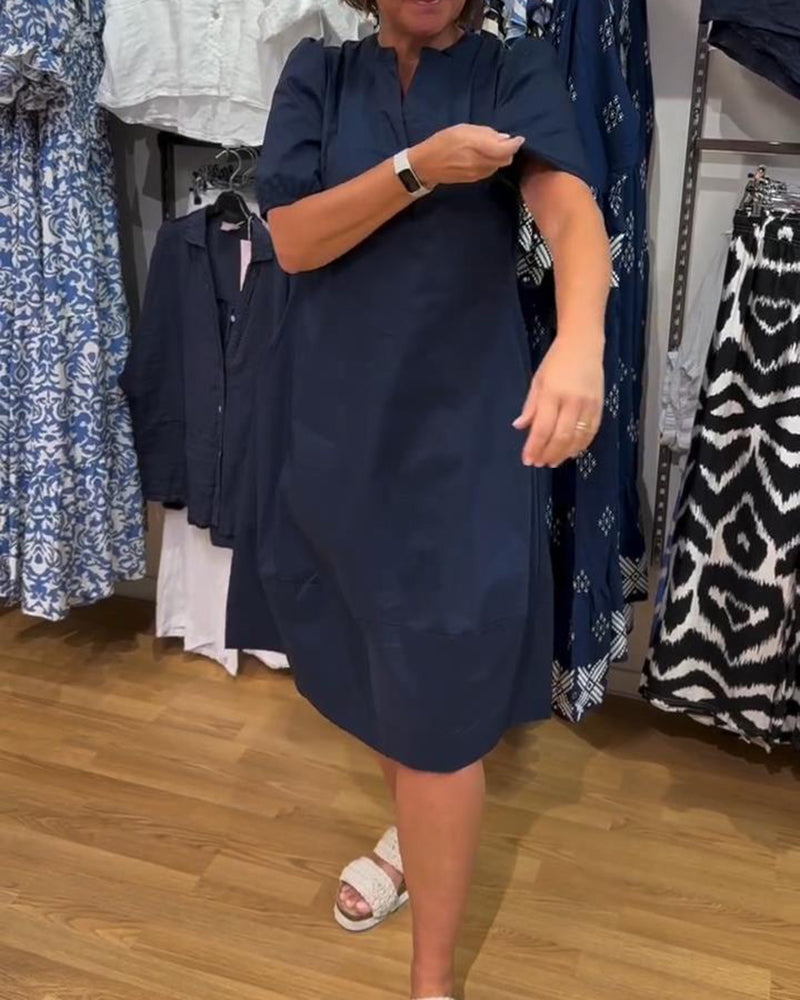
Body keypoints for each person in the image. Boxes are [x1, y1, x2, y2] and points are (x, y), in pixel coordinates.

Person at [239, 0, 610, 996]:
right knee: (376, 665)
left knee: (439, 707)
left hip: (458, 438)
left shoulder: (510, 69)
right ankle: (411, 837)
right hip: (334, 430)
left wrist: (581, 336)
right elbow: (294, 240)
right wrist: (418, 169)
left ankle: (432, 983)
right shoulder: (319, 73)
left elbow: (568, 207)